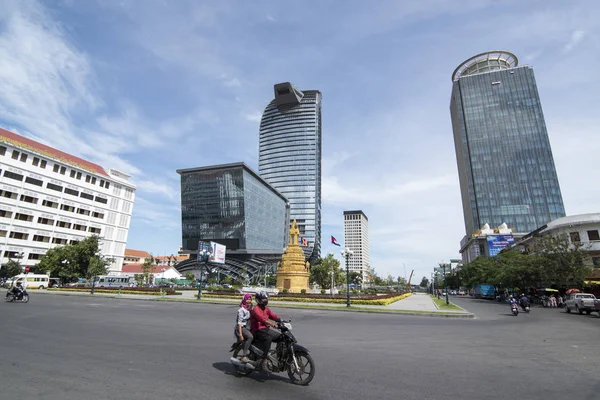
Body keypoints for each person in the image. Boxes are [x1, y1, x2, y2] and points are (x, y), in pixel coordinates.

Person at [250, 291, 281, 374]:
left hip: (266, 329)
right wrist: (272, 324)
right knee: (268, 338)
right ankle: (264, 361)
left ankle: (278, 357)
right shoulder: (256, 309)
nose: (266, 300)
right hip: (257, 331)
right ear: (259, 299)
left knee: (282, 337)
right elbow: (262, 319)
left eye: (267, 298)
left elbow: (273, 315)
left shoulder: (266, 309)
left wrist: (280, 320)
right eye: (264, 298)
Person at [234, 294, 254, 363]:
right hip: (241, 328)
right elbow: (239, 323)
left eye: (250, 299)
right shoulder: (241, 310)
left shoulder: (249, 308)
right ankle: (244, 356)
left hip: (247, 327)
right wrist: (241, 335)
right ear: (244, 300)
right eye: (248, 299)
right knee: (250, 337)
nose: (249, 301)